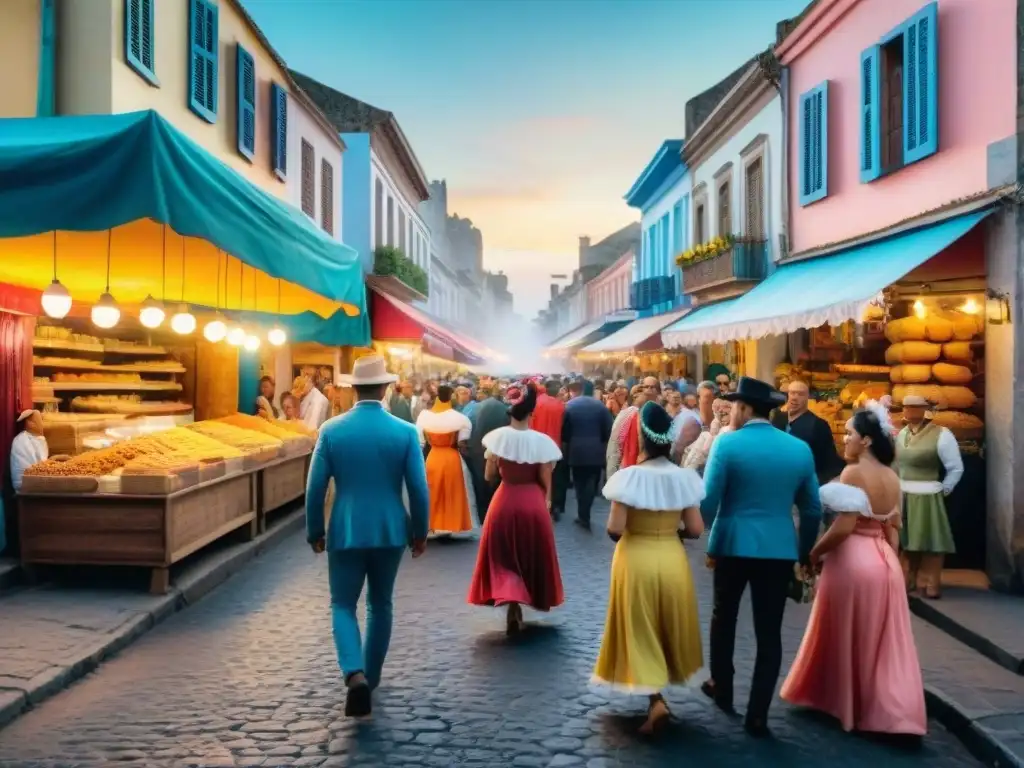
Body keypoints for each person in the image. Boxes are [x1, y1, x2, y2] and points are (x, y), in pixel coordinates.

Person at [781, 402, 926, 736]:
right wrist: (893, 567)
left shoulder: (852, 473)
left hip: (852, 561)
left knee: (844, 634)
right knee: (883, 643)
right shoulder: (892, 476)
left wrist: (814, 554)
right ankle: (889, 708)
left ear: (867, 441)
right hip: (885, 563)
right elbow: (893, 529)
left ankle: (844, 704)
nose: (844, 438)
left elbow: (844, 527)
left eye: (849, 433)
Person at [304, 355, 430, 718]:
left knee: (342, 603)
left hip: (345, 527)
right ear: (387, 387)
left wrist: (315, 528)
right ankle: (371, 678)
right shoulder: (405, 432)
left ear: (353, 388)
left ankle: (353, 672)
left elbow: (314, 488)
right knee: (381, 604)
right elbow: (418, 490)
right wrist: (420, 532)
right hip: (390, 529)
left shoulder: (331, 430)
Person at [699, 377, 822, 738]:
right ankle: (758, 713)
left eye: (735, 405)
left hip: (732, 543)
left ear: (744, 408)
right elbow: (812, 509)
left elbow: (709, 499)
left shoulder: (728, 445)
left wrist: (703, 534)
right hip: (778, 548)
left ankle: (721, 685)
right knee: (769, 631)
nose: (731, 410)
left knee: (724, 617)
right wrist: (803, 552)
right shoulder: (798, 449)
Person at [592, 402, 706, 735]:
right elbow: (696, 529)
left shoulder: (627, 479)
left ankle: (655, 700)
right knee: (668, 622)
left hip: (636, 557)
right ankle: (668, 689)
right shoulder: (684, 478)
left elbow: (615, 528)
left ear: (641, 437)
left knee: (640, 626)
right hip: (671, 557)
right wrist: (670, 532)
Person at [468, 381, 564, 633]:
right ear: (532, 413)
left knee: (503, 555)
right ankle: (526, 594)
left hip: (505, 500)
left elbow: (489, 475)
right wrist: (548, 500)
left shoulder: (497, 440)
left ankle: (510, 597)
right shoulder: (542, 442)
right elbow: (545, 477)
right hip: (532, 501)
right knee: (531, 554)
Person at [897, 395, 963, 599]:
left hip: (928, 493)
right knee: (907, 542)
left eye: (913, 408)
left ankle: (930, 582)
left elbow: (955, 467)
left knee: (931, 542)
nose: (908, 412)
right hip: (904, 493)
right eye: (906, 408)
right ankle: (909, 579)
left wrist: (945, 488)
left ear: (923, 410)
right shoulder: (902, 434)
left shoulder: (942, 434)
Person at [416, 385, 477, 536]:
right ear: (451, 397)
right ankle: (452, 524)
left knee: (433, 492)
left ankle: (432, 525)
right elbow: (462, 442)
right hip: (452, 458)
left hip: (433, 457)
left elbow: (421, 442)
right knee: (453, 492)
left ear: (437, 397)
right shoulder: (461, 419)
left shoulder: (424, 417)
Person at [562, 379, 613, 530]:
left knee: (579, 482)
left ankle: (582, 514)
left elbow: (565, 431)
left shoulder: (570, 406)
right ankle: (586, 512)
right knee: (592, 480)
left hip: (576, 450)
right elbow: (608, 430)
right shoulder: (600, 407)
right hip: (596, 450)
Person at [772, 379, 843, 487]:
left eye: (800, 394)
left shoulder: (818, 425)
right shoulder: (778, 419)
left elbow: (829, 462)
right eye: (792, 393)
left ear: (807, 397)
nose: (795, 397)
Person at [465, 384, 511, 524]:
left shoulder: (473, 408)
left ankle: (483, 514)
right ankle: (498, 513)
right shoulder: (504, 408)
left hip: (477, 449)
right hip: (498, 449)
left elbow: (468, 426)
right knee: (497, 482)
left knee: (480, 483)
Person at [533, 379, 567, 520]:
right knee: (555, 477)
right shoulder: (560, 406)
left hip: (537, 444)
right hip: (554, 444)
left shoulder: (536, 403)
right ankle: (555, 506)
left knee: (538, 476)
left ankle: (539, 503)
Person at [10, 410, 48, 493]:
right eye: (41, 420)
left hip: (33, 482)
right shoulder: (22, 440)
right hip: (25, 487)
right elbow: (39, 468)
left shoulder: (37, 439)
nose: (43, 424)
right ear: (31, 424)